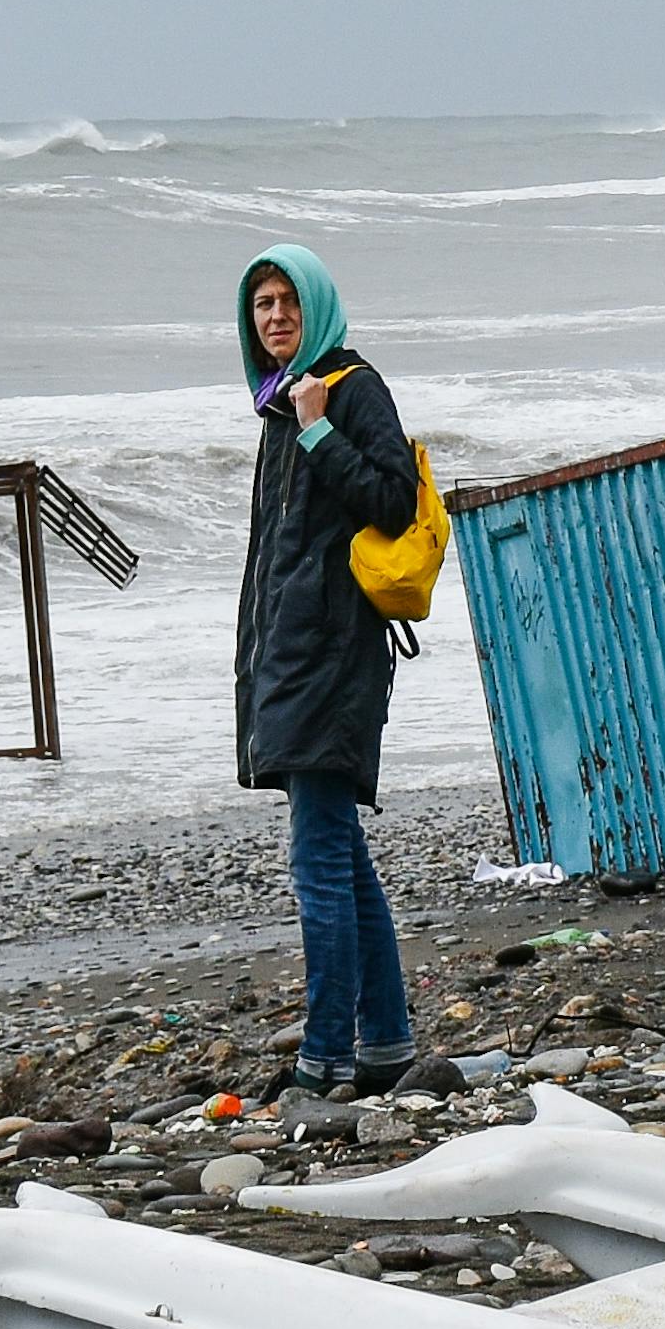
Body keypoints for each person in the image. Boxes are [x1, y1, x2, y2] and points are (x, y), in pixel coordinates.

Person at [234, 242, 427, 1100]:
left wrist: (319, 429)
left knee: (318, 857)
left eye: (288, 301)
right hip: (292, 656)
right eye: (262, 304)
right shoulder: (281, 405)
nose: (276, 317)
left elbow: (393, 500)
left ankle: (325, 1054)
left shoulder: (345, 391)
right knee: (340, 853)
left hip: (331, 658)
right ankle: (382, 1040)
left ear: (319, 306)